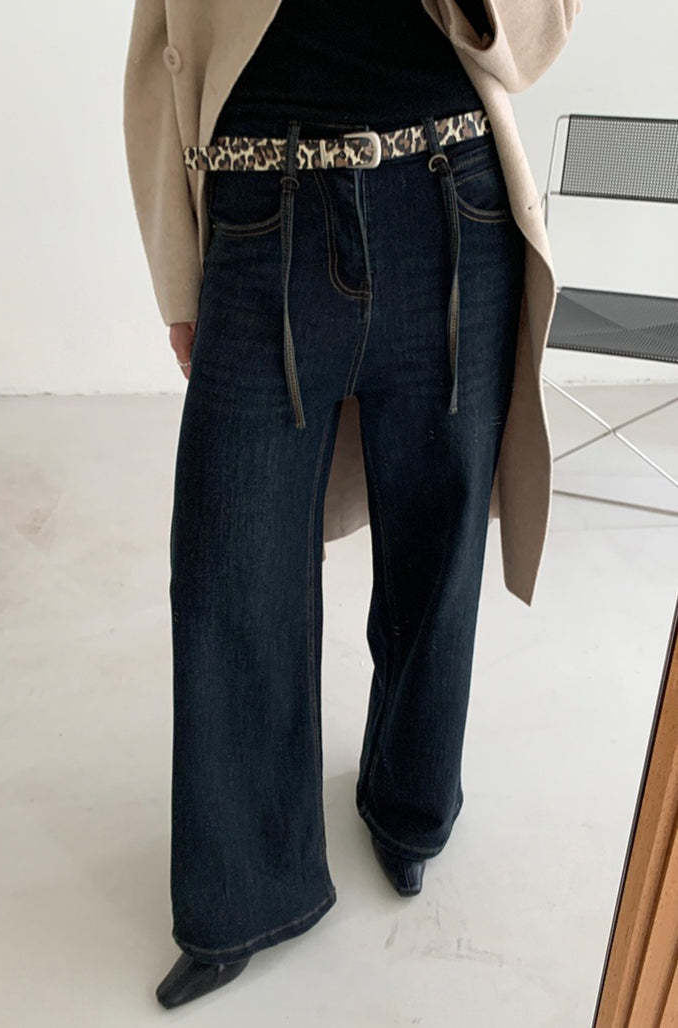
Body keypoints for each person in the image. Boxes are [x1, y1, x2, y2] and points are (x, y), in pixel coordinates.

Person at [122, 0, 578, 1011]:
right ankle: (243, 889)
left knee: (437, 544)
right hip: (258, 207)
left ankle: (411, 804)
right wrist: (179, 277)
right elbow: (160, 49)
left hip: (452, 199)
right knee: (230, 568)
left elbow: (541, 32)